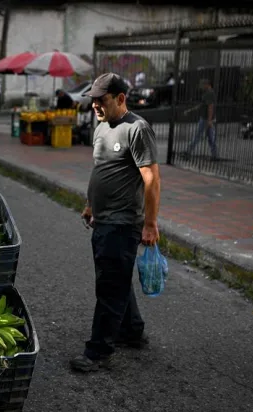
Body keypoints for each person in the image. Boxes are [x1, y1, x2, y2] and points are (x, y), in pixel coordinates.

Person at [72, 73, 161, 373]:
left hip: (123, 223)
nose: (95, 105)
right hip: (103, 220)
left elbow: (151, 180)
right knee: (117, 278)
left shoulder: (137, 129)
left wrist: (150, 224)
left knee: (109, 286)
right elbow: (100, 170)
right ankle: (131, 331)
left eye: (101, 100)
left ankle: (98, 351)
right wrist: (89, 204)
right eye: (93, 100)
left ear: (120, 99)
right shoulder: (100, 128)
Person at [184, 79, 217, 160]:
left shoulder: (209, 93)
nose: (201, 87)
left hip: (206, 119)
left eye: (202, 85)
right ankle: (214, 155)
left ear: (207, 84)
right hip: (207, 119)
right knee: (210, 138)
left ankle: (188, 152)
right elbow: (202, 105)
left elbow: (210, 107)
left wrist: (209, 120)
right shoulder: (207, 93)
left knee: (198, 136)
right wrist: (190, 110)